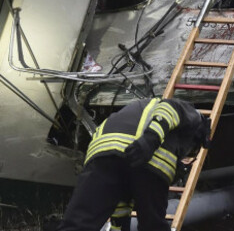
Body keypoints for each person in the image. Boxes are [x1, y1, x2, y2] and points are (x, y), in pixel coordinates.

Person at [57, 98, 211, 231]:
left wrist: (121, 226)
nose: (183, 160)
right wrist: (151, 140)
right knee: (153, 225)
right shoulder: (194, 117)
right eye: (188, 156)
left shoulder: (134, 111)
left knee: (78, 223)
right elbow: (169, 108)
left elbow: (120, 200)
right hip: (148, 161)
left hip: (101, 156)